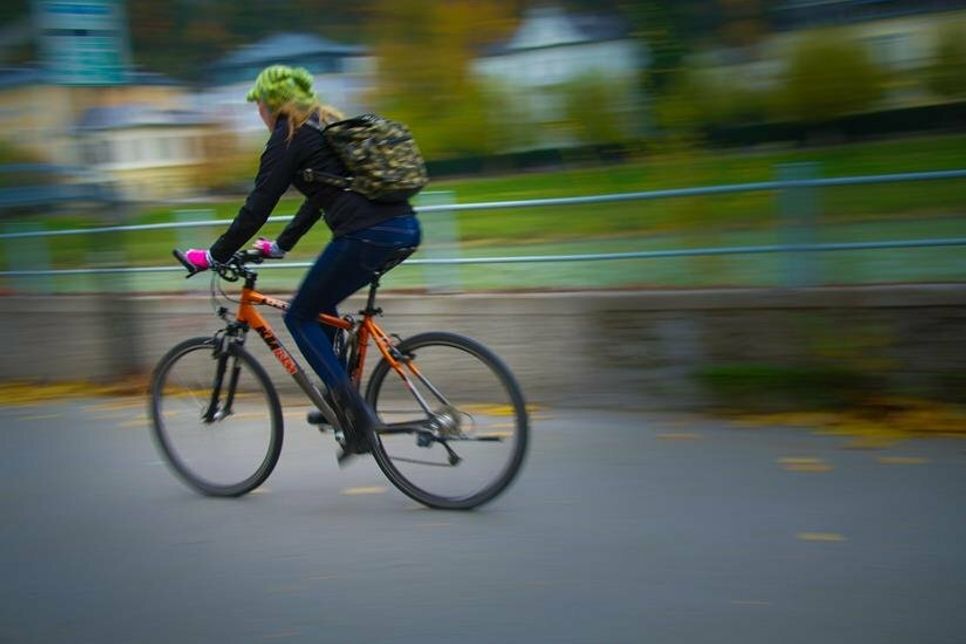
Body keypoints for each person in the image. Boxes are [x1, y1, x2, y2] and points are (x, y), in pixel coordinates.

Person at [182, 65, 422, 461]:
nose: (258, 112)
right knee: (320, 306)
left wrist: (214, 255)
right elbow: (318, 197)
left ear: (269, 104)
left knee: (298, 317)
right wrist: (280, 246)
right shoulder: (321, 127)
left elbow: (257, 206)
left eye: (258, 104)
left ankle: (356, 417)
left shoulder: (287, 137)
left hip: (366, 234)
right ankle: (341, 397)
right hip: (403, 228)